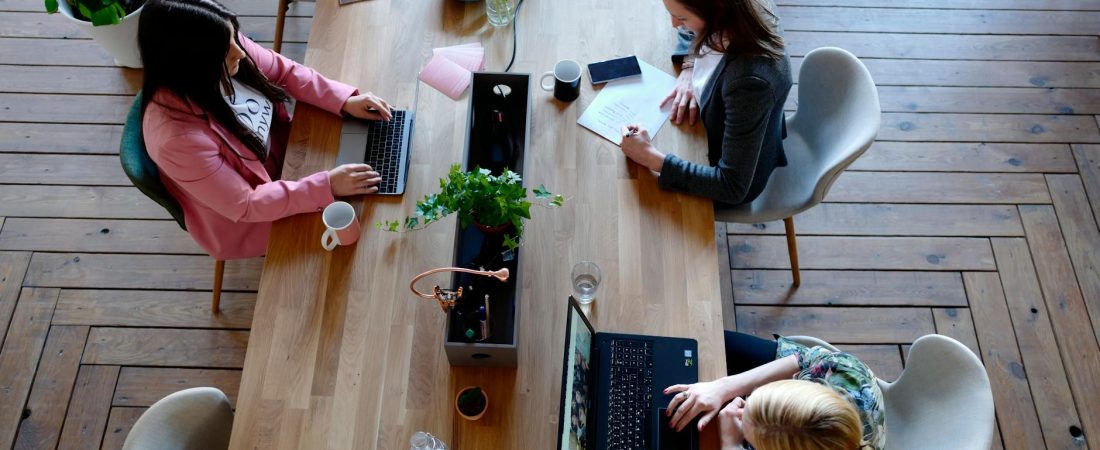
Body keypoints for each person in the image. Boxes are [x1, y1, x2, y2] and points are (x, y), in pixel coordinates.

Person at [139, 0, 393, 259]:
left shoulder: (223, 44)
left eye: (236, 38)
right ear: (191, 64)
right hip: (250, 218)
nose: (240, 52)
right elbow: (247, 203)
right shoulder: (176, 141)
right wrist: (325, 185)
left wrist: (343, 100)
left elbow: (285, 72)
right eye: (226, 51)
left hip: (289, 155)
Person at [619, 0, 792, 206]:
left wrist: (651, 158)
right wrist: (691, 65)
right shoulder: (738, 12)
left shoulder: (749, 83)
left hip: (728, 175)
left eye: (682, 18)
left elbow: (732, 186)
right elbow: (689, 28)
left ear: (715, 13)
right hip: (722, 130)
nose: (674, 24)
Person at [664, 332, 885, 449]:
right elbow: (803, 358)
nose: (738, 409)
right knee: (705, 340)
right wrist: (722, 387)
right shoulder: (846, 372)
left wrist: (730, 444)